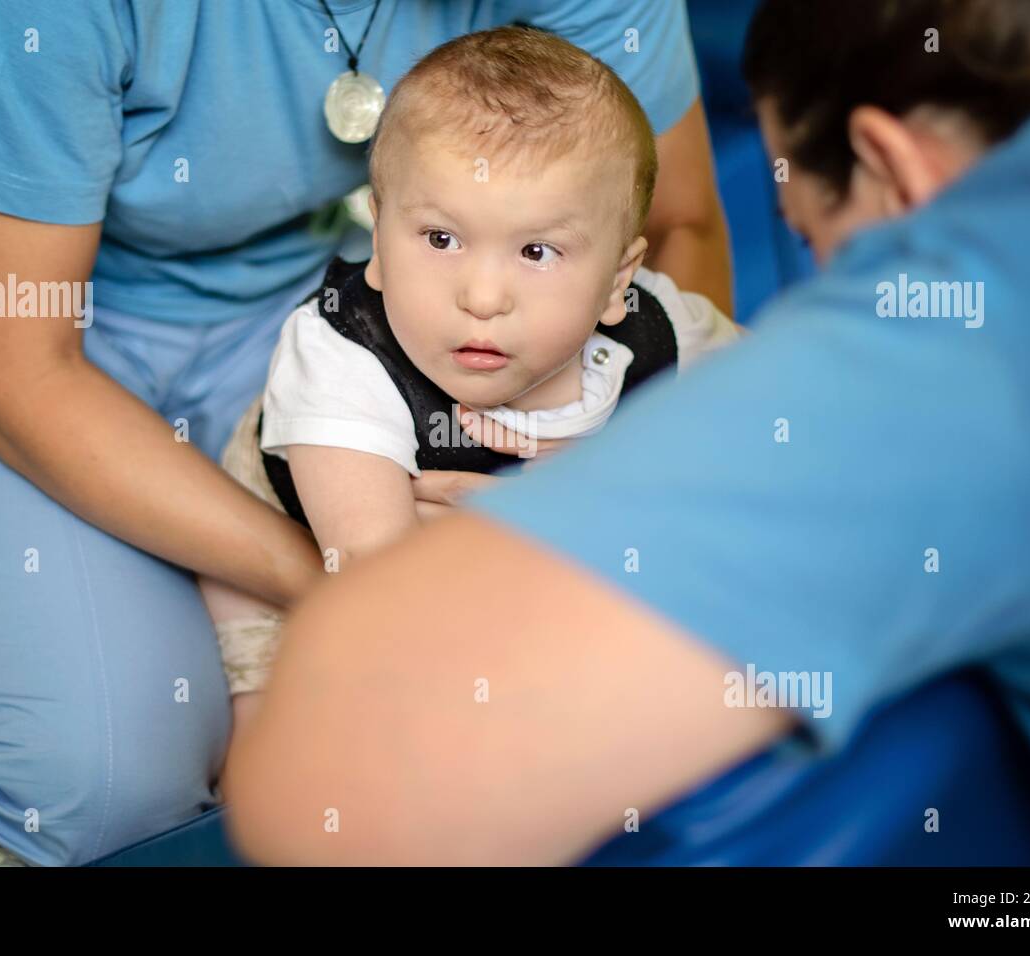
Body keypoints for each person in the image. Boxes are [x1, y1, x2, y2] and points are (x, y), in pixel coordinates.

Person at [223, 0, 1030, 865]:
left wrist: (600, 497)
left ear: (894, 176)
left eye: (811, 234)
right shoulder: (341, 354)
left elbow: (325, 789)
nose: (484, 296)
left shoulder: (968, 336)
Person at [0, 0, 730, 865]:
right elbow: (19, 375)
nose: (487, 295)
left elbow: (675, 223)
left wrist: (626, 491)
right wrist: (394, 583)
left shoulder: (445, 299)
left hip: (271, 279)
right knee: (109, 794)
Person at [201, 27, 739, 729]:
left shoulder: (656, 329)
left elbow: (776, 412)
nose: (482, 297)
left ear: (616, 281)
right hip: (306, 563)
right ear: (381, 241)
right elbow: (378, 588)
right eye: (440, 239)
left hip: (494, 578)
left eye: (537, 251)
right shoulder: (342, 356)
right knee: (294, 728)